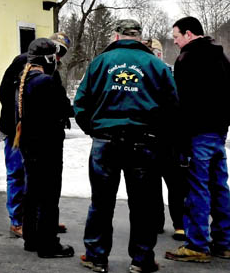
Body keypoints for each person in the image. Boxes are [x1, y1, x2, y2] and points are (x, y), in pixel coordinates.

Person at [73, 19, 178, 273]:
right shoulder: (156, 65)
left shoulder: (99, 63)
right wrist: (157, 135)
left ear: (116, 36)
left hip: (106, 142)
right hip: (144, 143)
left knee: (101, 201)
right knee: (143, 204)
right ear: (140, 38)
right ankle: (141, 260)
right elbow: (172, 108)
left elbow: (81, 104)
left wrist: (95, 131)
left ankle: (97, 257)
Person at [164, 16, 230, 263]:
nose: (176, 42)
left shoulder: (187, 59)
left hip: (196, 134)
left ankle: (197, 245)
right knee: (219, 187)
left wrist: (180, 140)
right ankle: (224, 243)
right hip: (218, 133)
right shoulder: (221, 57)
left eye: (177, 37)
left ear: (189, 34)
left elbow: (183, 103)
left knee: (197, 191)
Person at [0, 32, 71, 238]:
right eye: (56, 50)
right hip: (17, 129)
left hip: (37, 133)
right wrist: (21, 119)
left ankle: (42, 220)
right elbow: (5, 94)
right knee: (18, 174)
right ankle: (17, 221)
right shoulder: (25, 62)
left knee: (37, 178)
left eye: (61, 53)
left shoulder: (52, 69)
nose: (58, 56)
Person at [14, 38, 74, 258]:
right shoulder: (45, 82)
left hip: (30, 145)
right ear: (48, 59)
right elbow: (64, 108)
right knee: (49, 197)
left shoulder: (24, 78)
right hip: (46, 146)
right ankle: (48, 244)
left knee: (33, 193)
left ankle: (31, 238)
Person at [143, 39, 187, 241]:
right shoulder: (141, 75)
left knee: (175, 184)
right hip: (150, 137)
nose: (154, 56)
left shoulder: (170, 73)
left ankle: (179, 223)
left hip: (170, 137)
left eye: (156, 52)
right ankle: (156, 221)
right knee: (151, 184)